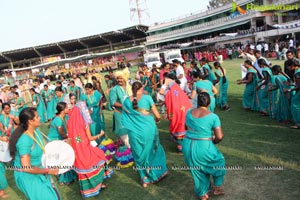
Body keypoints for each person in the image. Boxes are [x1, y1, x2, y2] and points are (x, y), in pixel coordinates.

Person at [121, 82, 168, 187]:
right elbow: (157, 116)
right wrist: (157, 120)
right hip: (148, 130)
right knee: (152, 150)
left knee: (138, 154)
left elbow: (124, 117)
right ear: (141, 88)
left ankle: (144, 178)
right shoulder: (147, 98)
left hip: (134, 133)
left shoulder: (126, 101)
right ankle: (155, 173)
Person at [9, 107, 61, 200]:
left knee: (55, 196)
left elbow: (46, 146)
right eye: (37, 117)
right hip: (28, 176)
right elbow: (27, 167)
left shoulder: (36, 131)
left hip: (39, 169)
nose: (40, 118)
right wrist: (48, 170)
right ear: (30, 121)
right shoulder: (24, 140)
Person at [182, 92, 226, 200]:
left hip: (187, 144)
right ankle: (217, 188)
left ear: (198, 101)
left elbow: (185, 128)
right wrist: (213, 142)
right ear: (209, 102)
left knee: (196, 168)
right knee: (219, 162)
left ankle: (203, 194)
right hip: (203, 145)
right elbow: (219, 136)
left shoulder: (189, 112)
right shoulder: (213, 117)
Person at [67, 102, 112, 198]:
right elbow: (90, 138)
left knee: (85, 169)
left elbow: (72, 139)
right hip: (86, 150)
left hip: (77, 153)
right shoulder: (84, 124)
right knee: (100, 157)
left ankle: (87, 190)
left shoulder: (70, 124)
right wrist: (100, 134)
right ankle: (98, 185)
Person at [160, 72, 192, 152]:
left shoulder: (172, 89)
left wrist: (165, 84)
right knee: (182, 127)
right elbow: (173, 99)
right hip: (183, 111)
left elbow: (161, 92)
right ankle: (184, 145)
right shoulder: (176, 88)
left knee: (178, 127)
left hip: (177, 112)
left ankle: (181, 147)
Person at [48, 102, 77, 185]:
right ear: (62, 110)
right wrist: (71, 139)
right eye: (67, 107)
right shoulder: (58, 120)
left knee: (66, 157)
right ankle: (64, 179)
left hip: (62, 140)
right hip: (56, 141)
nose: (68, 108)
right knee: (62, 159)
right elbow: (62, 133)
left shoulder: (65, 117)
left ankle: (69, 177)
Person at [109, 68, 132, 148]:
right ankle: (128, 155)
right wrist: (123, 106)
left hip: (130, 115)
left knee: (132, 135)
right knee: (125, 138)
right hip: (120, 115)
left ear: (125, 78)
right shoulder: (114, 90)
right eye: (118, 78)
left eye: (121, 78)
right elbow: (113, 102)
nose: (119, 80)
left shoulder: (129, 87)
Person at [286, 60, 300, 128]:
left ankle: (298, 123)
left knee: (295, 105)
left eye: (289, 67)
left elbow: (299, 86)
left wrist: (289, 89)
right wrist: (291, 84)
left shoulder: (297, 73)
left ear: (292, 66)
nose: (288, 68)